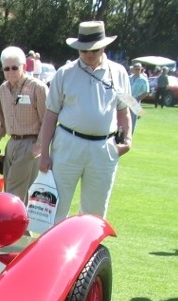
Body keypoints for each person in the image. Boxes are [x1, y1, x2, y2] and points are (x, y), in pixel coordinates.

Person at [36, 20, 133, 223]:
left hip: (104, 148)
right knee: (56, 207)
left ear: (104, 47)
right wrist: (44, 153)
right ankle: (54, 254)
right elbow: (50, 115)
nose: (89, 54)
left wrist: (128, 139)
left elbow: (124, 110)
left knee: (95, 212)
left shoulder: (119, 73)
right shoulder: (64, 73)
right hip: (68, 144)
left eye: (94, 50)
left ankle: (90, 254)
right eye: (84, 50)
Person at [0, 46, 48, 201]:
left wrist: (39, 146)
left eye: (15, 67)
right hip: (12, 143)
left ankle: (12, 223)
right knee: (10, 187)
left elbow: (47, 120)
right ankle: (19, 223)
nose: (10, 72)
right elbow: (1, 122)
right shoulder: (2, 89)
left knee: (14, 192)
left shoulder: (37, 87)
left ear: (24, 66)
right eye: (6, 68)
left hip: (30, 142)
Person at [129, 63, 148, 131]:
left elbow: (146, 92)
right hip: (127, 101)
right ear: (133, 69)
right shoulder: (130, 78)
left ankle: (129, 136)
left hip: (135, 102)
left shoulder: (143, 80)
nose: (137, 71)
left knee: (132, 121)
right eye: (136, 69)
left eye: (139, 69)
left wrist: (137, 99)